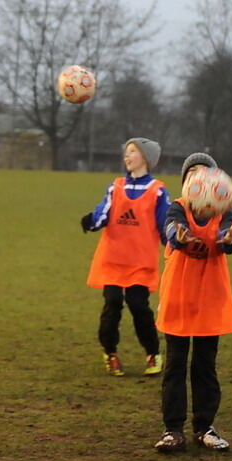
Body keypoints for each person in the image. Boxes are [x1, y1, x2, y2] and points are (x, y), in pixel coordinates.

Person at [154, 153, 232, 453]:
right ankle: (172, 430)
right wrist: (178, 236)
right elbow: (171, 230)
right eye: (193, 173)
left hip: (210, 299)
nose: (200, 178)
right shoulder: (177, 209)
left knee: (205, 366)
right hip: (179, 297)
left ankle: (205, 427)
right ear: (186, 183)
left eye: (205, 172)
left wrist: (229, 240)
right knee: (175, 365)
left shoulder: (225, 213)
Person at [81, 138, 171, 376]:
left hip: (140, 263)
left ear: (146, 158)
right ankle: (110, 352)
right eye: (126, 152)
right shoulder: (116, 186)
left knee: (139, 305)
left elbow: (165, 226)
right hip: (112, 260)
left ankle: (153, 353)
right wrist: (91, 222)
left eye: (132, 152)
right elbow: (103, 214)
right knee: (112, 304)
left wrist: (175, 246)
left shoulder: (157, 191)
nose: (127, 156)